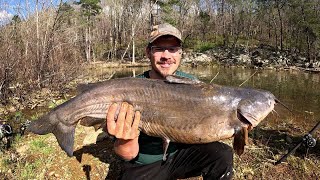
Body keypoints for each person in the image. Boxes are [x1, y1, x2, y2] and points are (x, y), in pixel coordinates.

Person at [106, 23, 233, 180]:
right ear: (148, 52)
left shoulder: (192, 84)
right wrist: (126, 139)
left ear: (180, 53)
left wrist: (233, 123)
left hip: (182, 155)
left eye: (172, 49)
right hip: (147, 164)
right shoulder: (130, 90)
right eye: (159, 49)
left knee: (222, 155)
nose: (166, 55)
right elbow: (128, 154)